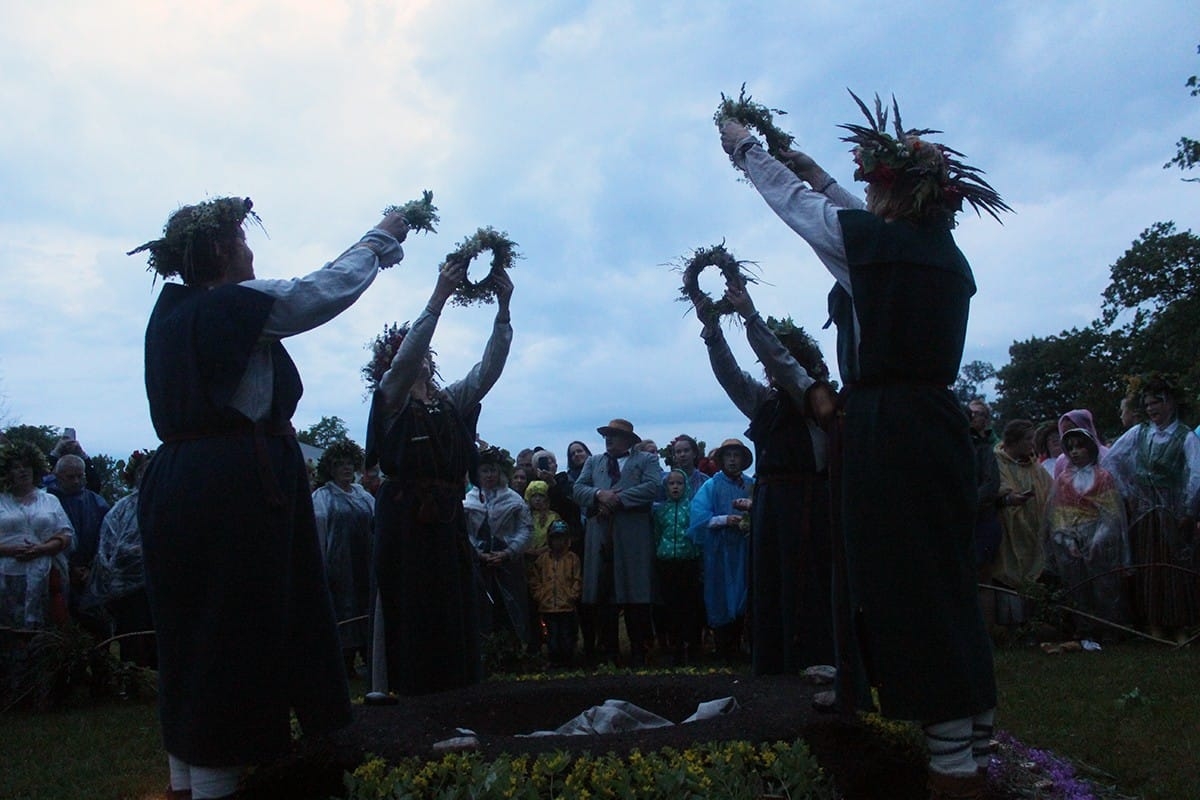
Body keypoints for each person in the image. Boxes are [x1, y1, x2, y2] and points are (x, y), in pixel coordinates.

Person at [720, 92, 1009, 796]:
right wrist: (813, 165)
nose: (868, 194)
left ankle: (951, 762)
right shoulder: (941, 253)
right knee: (942, 572)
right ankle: (973, 725)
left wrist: (744, 149)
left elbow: (804, 212)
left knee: (903, 578)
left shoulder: (876, 245)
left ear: (893, 194)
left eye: (875, 184)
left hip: (890, 427)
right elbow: (846, 205)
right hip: (936, 423)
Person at [133, 195, 408, 798]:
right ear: (219, 251)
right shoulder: (230, 305)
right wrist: (380, 238)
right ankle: (217, 781)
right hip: (230, 488)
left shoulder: (169, 317)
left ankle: (188, 773)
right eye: (242, 240)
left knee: (193, 627)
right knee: (234, 626)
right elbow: (320, 291)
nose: (252, 251)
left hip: (179, 483)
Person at [366, 258, 514, 696]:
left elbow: (489, 369)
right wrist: (438, 297)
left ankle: (454, 693)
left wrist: (503, 309)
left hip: (445, 522)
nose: (421, 360)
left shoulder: (449, 402)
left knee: (451, 609)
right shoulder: (390, 399)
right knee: (408, 608)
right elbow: (406, 358)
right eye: (411, 354)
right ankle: (405, 694)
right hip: (404, 524)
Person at [695, 284, 837, 674]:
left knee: (806, 581)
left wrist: (751, 316)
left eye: (778, 366)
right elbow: (731, 378)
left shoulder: (816, 399)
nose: (771, 374)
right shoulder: (766, 402)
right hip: (771, 505)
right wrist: (713, 333)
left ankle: (816, 660)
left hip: (807, 504)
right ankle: (772, 664)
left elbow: (785, 366)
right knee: (770, 584)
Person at [1102, 374, 1200, 641]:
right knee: (1148, 563)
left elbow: (1196, 474)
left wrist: (1188, 510)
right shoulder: (1139, 432)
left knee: (1173, 565)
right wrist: (1129, 492)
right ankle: (1154, 622)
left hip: (1172, 509)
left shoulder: (1186, 436)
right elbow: (1112, 461)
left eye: (1156, 402)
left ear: (1170, 403)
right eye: (1147, 404)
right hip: (1146, 508)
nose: (1151, 408)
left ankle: (1178, 623)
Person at [573, 418, 662, 667]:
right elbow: (578, 490)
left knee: (636, 596)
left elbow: (653, 487)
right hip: (600, 535)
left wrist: (617, 499)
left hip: (633, 537)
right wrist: (599, 494)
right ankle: (608, 652)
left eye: (614, 435)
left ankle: (638, 652)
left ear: (628, 440)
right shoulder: (593, 462)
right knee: (604, 597)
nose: (609, 439)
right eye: (607, 435)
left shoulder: (646, 460)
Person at [1044, 428, 1130, 640]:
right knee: (1077, 585)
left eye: (1079, 446)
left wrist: (1098, 540)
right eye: (1070, 447)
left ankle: (1108, 628)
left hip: (1099, 538)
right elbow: (1059, 514)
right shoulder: (1063, 480)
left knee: (1103, 584)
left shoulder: (1103, 477)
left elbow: (1111, 513)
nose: (1075, 452)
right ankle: (1083, 628)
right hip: (1072, 538)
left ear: (1090, 448)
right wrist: (1067, 539)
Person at [80, 449, 157, 668]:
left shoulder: (171, 502)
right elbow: (107, 545)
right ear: (135, 475)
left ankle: (157, 674)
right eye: (143, 470)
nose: (146, 475)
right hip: (127, 587)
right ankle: (133, 674)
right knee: (132, 632)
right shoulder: (121, 508)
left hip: (161, 581)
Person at [688, 438, 755, 663]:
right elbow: (699, 518)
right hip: (718, 551)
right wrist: (726, 519)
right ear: (722, 459)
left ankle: (741, 646)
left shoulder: (750, 484)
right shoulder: (711, 485)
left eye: (737, 456)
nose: (733, 460)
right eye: (729, 456)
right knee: (719, 594)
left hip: (745, 549)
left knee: (744, 593)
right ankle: (723, 650)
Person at [311, 440, 375, 677]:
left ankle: (370, 659)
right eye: (340, 465)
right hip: (339, 566)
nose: (346, 469)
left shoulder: (363, 495)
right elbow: (318, 533)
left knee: (366, 609)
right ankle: (344, 664)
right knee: (343, 611)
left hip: (365, 564)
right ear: (331, 468)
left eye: (350, 464)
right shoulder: (322, 497)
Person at [0, 441, 72, 638]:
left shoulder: (49, 500)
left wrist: (43, 548)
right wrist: (12, 550)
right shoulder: (1, 501)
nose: (23, 471)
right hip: (5, 577)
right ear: (7, 472)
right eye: (16, 467)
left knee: (43, 634)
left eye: (27, 465)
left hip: (45, 576)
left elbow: (66, 534)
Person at [464, 447, 533, 647]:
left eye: (493, 470)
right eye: (484, 471)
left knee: (511, 606)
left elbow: (526, 529)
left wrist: (508, 552)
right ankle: (484, 649)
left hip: (508, 563)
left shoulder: (513, 499)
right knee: (481, 606)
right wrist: (477, 553)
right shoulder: (470, 500)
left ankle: (513, 649)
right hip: (479, 563)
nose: (489, 475)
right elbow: (464, 532)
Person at [990, 420, 1052, 631]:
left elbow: (1050, 490)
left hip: (1033, 530)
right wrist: (1009, 499)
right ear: (1013, 441)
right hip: (1008, 531)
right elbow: (994, 491)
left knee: (1033, 572)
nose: (1032, 444)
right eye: (1028, 439)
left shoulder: (1034, 466)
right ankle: (1011, 625)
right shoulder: (997, 462)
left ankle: (1032, 623)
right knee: (1008, 573)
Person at [47, 453, 109, 621]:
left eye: (79, 476)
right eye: (70, 477)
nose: (75, 481)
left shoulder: (98, 503)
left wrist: (90, 567)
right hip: (55, 570)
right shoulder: (48, 502)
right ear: (58, 476)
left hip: (90, 572)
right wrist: (69, 567)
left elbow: (105, 540)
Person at [652, 468, 703, 665]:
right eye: (671, 483)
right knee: (670, 606)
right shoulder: (661, 510)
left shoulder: (692, 509)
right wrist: (661, 551)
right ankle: (675, 647)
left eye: (679, 483)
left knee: (689, 606)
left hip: (687, 561)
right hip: (666, 562)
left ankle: (693, 647)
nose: (675, 487)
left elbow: (697, 534)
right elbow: (657, 534)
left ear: (686, 486)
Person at [529, 519, 582, 667]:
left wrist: (572, 595)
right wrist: (540, 595)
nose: (558, 542)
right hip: (547, 607)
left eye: (561, 538)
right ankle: (554, 662)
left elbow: (577, 579)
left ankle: (568, 662)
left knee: (567, 636)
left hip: (567, 606)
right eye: (555, 538)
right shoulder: (542, 560)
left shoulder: (573, 559)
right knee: (551, 637)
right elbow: (534, 579)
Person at [1051, 409, 1107, 479]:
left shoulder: (1105, 455)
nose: (1069, 435)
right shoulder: (1061, 461)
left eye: (1074, 430)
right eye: (1065, 432)